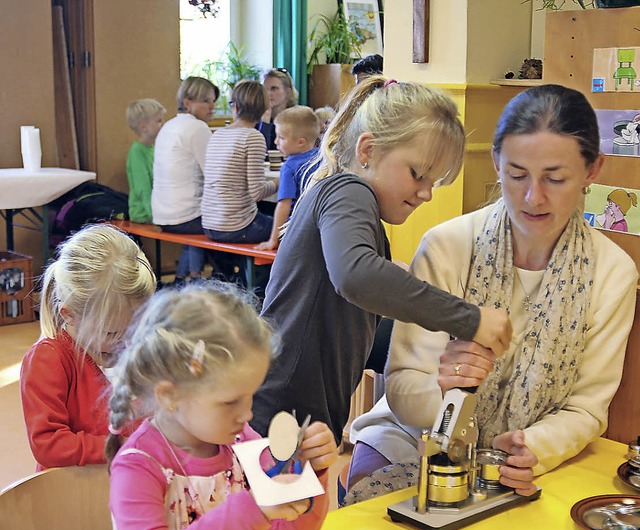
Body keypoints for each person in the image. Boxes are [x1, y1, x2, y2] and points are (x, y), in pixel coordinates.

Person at [344, 83, 639, 505]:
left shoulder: (611, 273)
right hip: (414, 439)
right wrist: (445, 391)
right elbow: (405, 390)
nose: (532, 197)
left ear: (593, 170)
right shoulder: (449, 245)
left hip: (524, 459)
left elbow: (586, 409)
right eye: (517, 174)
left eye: (555, 178)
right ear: (497, 162)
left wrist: (532, 446)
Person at [249, 76, 512, 445]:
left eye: (434, 181)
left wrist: (431, 350)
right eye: (418, 174)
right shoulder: (348, 190)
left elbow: (356, 334)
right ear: (367, 150)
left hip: (301, 418)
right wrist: (470, 319)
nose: (426, 193)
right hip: (278, 414)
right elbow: (356, 276)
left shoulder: (357, 211)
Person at [105, 283, 338, 530]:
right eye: (230, 401)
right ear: (169, 395)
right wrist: (253, 509)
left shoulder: (243, 440)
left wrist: (309, 472)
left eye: (251, 396)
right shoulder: (138, 467)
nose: (247, 415)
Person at [20, 224, 156, 530]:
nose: (124, 342)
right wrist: (120, 447)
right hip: (68, 528)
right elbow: (49, 443)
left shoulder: (130, 352)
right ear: (69, 315)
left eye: (134, 328)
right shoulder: (50, 359)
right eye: (113, 334)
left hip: (126, 515)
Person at [151, 76, 219, 286]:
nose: (212, 106)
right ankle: (227, 281)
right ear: (188, 103)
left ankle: (183, 279)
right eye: (205, 101)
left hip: (162, 214)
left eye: (212, 101)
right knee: (233, 225)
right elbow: (214, 174)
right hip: (187, 217)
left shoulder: (169, 126)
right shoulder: (198, 128)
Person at [202, 79, 278, 246]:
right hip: (237, 226)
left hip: (209, 223)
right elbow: (257, 193)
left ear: (235, 107)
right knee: (289, 226)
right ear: (264, 109)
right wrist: (282, 180)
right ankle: (264, 272)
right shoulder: (253, 137)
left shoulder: (217, 135)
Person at [256, 106, 320, 251]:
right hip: (319, 227)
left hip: (296, 230)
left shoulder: (290, 167)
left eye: (282, 137)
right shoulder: (322, 158)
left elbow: (284, 205)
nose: (276, 142)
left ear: (300, 142)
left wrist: (273, 240)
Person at [125, 98, 166, 223]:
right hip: (143, 213)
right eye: (159, 121)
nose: (163, 124)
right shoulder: (137, 151)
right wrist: (155, 216)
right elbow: (143, 187)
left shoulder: (153, 148)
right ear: (144, 127)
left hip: (156, 210)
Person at [258, 68, 298, 151]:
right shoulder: (255, 119)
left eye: (274, 88)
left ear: (288, 92)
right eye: (265, 89)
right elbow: (259, 153)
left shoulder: (298, 118)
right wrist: (265, 122)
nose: (268, 93)